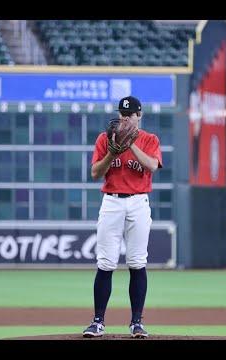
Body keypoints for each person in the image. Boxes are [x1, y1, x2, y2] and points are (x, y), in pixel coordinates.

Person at [82, 96, 163, 338]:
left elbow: (151, 166)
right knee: (106, 262)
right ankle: (98, 322)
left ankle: (136, 323)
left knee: (137, 262)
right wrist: (112, 151)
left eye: (129, 115)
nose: (124, 118)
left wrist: (130, 146)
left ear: (139, 116)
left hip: (138, 202)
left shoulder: (150, 139)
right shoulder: (105, 138)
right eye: (122, 114)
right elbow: (96, 172)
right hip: (112, 201)